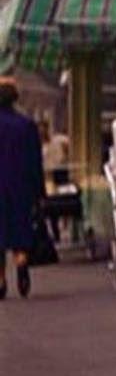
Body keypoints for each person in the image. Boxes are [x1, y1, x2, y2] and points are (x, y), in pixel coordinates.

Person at [0, 77, 45, 299]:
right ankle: (21, 261)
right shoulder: (27, 125)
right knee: (20, 228)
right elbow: (35, 161)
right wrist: (39, 191)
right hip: (21, 186)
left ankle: (0, 279)